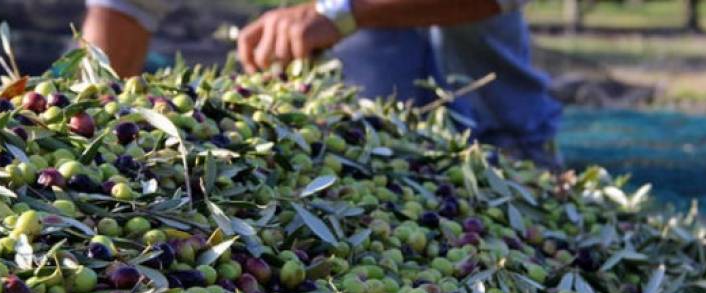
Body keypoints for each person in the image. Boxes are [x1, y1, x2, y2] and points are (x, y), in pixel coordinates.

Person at [82, 1, 562, 166]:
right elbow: (122, 10)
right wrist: (93, 111)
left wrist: (340, 12)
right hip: (342, 158)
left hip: (497, 153)